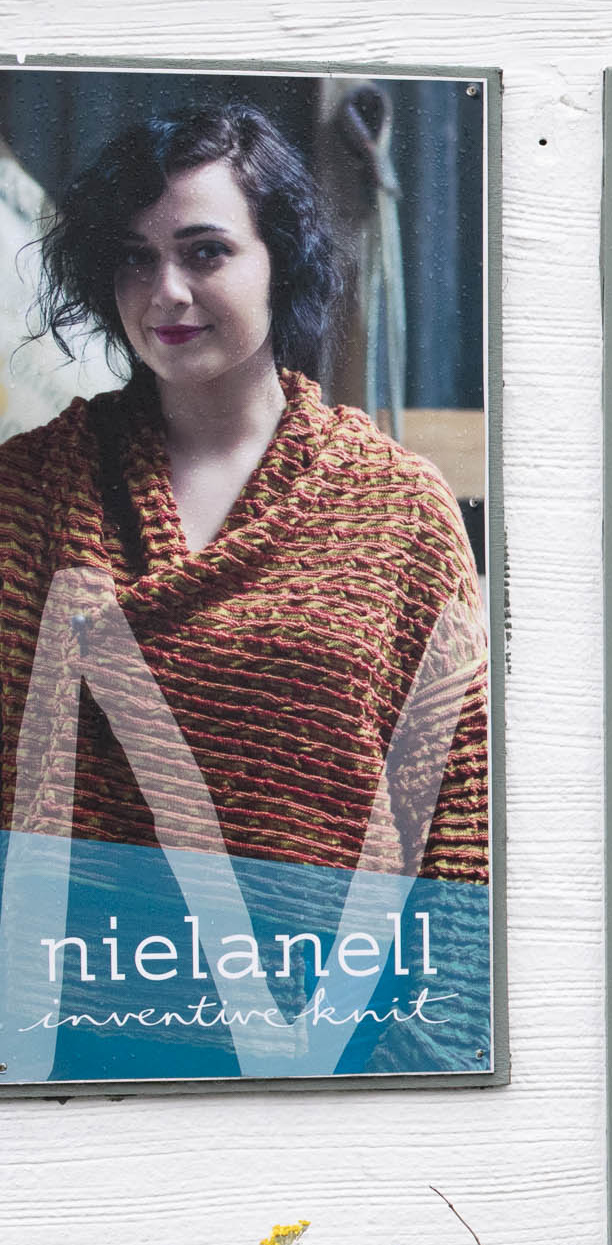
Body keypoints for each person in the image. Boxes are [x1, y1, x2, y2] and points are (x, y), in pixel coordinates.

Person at [0, 101, 486, 1072]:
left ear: (284, 260)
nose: (166, 291)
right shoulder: (27, 493)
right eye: (135, 258)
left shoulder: (396, 507)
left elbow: (457, 821)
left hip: (332, 1046)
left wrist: (432, 1052)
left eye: (206, 250)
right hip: (68, 1045)